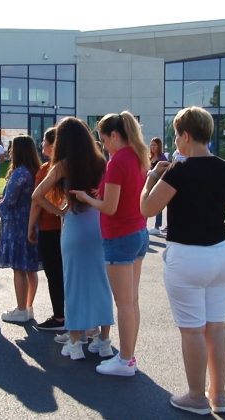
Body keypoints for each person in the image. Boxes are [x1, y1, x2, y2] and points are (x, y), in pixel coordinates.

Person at [140, 105, 225, 415]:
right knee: (216, 326)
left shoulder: (179, 171)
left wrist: (151, 177)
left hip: (188, 257)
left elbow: (147, 208)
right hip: (221, 255)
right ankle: (218, 395)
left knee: (193, 330)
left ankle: (197, 396)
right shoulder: (224, 168)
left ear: (186, 135)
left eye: (176, 135)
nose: (175, 141)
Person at [71, 111, 149, 376]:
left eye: (104, 140)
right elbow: (123, 195)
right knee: (132, 301)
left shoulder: (117, 162)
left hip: (120, 236)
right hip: (138, 231)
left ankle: (125, 360)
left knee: (124, 303)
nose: (103, 146)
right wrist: (100, 193)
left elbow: (110, 207)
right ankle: (128, 356)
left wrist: (87, 198)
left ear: (114, 135)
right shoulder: (138, 156)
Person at [32, 117, 114, 361]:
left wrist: (60, 211)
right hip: (97, 224)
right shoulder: (101, 162)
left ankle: (76, 342)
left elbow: (37, 195)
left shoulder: (63, 165)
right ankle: (104, 341)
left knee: (74, 284)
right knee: (101, 283)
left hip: (74, 225)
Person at [0, 135, 41, 323]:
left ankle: (21, 309)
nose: (10, 151)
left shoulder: (19, 173)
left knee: (19, 268)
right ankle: (28, 307)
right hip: (31, 223)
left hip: (16, 226)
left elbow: (10, 201)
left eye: (12, 148)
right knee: (30, 268)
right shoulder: (34, 171)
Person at [27, 127, 66, 331]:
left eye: (44, 141)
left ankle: (59, 316)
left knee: (53, 274)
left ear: (52, 145)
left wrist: (30, 227)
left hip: (49, 227)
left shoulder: (46, 170)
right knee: (66, 273)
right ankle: (70, 315)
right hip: (66, 227)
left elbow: (36, 202)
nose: (42, 144)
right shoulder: (71, 166)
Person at [148, 137, 168, 235]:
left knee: (158, 205)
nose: (152, 147)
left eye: (155, 145)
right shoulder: (150, 157)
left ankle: (157, 226)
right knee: (146, 203)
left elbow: (166, 171)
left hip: (158, 184)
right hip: (149, 184)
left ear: (159, 146)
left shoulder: (162, 158)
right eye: (151, 145)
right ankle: (143, 226)